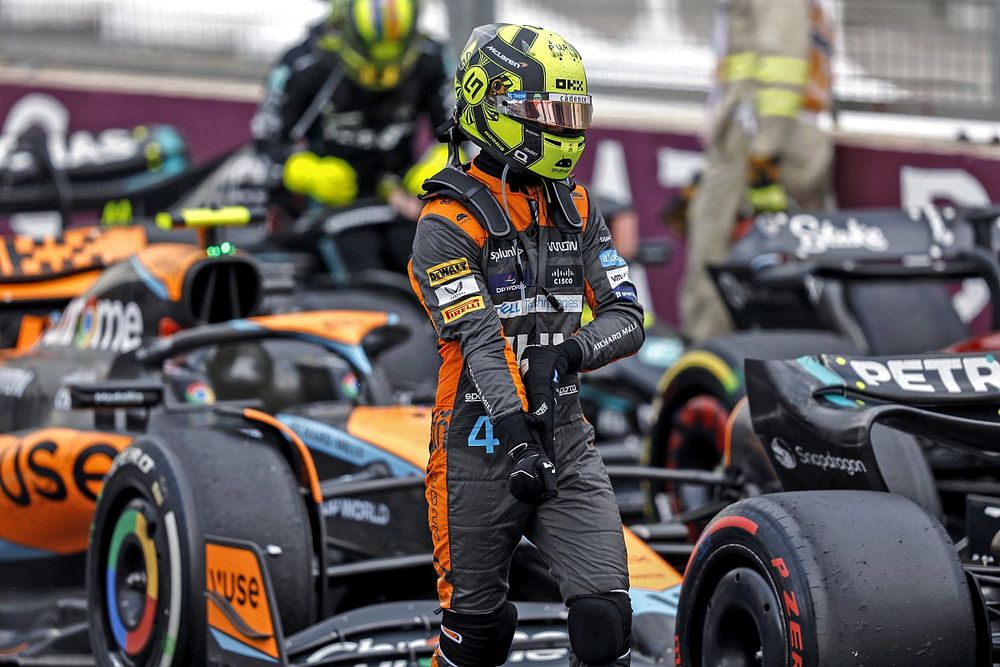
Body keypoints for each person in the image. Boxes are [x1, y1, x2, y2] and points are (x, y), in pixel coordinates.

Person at [408, 23, 644, 667]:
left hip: (565, 437)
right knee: (478, 638)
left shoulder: (578, 206)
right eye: (549, 113)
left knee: (605, 621)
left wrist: (569, 355)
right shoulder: (445, 221)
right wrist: (516, 439)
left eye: (575, 114)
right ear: (492, 107)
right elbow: (480, 342)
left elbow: (628, 315)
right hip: (477, 447)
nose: (568, 130)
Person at [251, 0, 452, 272]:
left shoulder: (433, 56)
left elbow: (462, 130)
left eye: (395, 66)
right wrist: (303, 170)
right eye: (371, 66)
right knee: (360, 260)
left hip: (402, 198)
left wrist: (444, 162)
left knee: (424, 261)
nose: (384, 77)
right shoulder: (304, 63)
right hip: (330, 204)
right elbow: (265, 138)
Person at [680, 0, 834, 340]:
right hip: (755, 135)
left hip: (765, 138)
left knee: (716, 242)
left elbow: (783, 62)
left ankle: (709, 353)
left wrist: (765, 150)